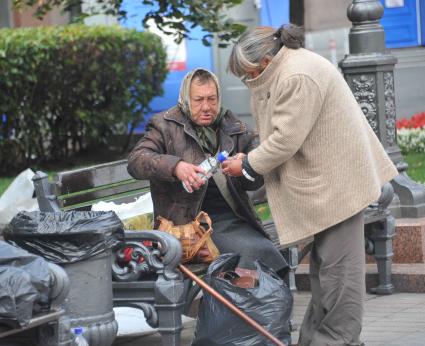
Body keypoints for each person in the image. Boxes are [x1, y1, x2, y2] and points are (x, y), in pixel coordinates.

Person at [223, 24, 399, 346]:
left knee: (339, 277)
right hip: (331, 186)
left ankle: (338, 341)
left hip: (338, 188)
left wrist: (246, 164)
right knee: (326, 274)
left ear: (263, 61)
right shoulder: (290, 67)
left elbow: (284, 140)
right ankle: (318, 340)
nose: (248, 81)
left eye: (248, 73)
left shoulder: (295, 76)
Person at [127, 68, 288, 276]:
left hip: (234, 219)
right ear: (185, 99)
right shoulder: (165, 126)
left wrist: (247, 165)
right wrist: (176, 167)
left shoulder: (232, 126)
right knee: (256, 254)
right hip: (190, 226)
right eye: (198, 100)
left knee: (265, 255)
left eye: (212, 99)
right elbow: (136, 161)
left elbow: (255, 182)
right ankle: (248, 306)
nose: (206, 107)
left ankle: (255, 305)